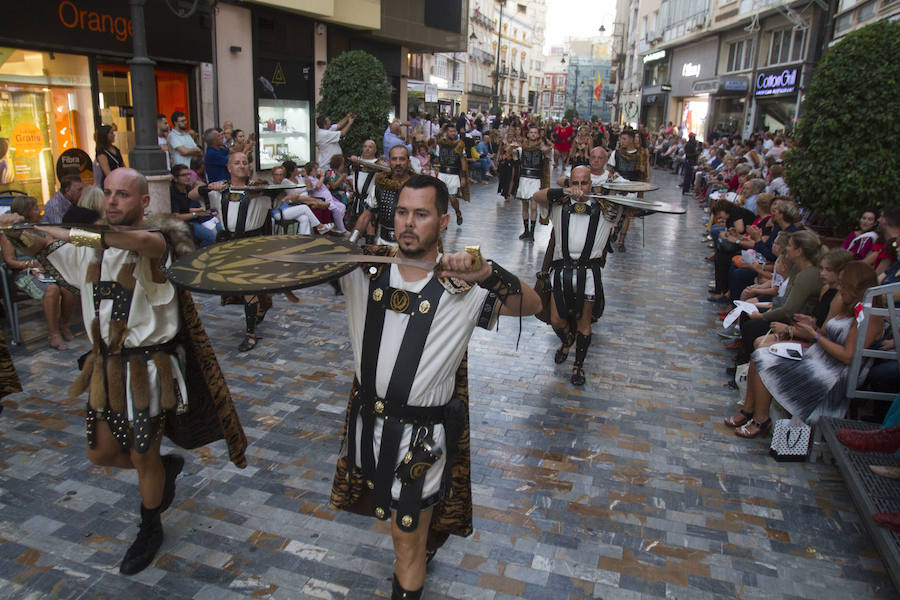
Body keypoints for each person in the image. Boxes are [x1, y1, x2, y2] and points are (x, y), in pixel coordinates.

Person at [0, 167, 247, 575]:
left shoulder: (157, 240)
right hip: (105, 366)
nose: (113, 201)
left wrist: (48, 228)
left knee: (141, 452)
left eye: (124, 195)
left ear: (144, 202)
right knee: (101, 453)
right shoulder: (90, 246)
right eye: (109, 193)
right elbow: (47, 247)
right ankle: (163, 470)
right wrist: (18, 230)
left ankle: (150, 527)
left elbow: (118, 239)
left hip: (147, 369)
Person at [328, 174, 540, 600]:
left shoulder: (463, 286)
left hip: (420, 439)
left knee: (406, 540)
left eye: (421, 214)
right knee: (394, 526)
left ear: (442, 221)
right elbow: (281, 270)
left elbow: (532, 305)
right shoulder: (364, 269)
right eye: (403, 212)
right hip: (367, 426)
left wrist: (487, 273)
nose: (408, 222)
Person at [727, 261, 881, 437]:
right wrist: (811, 326)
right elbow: (825, 333)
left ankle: (760, 419)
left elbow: (847, 356)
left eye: (843, 284)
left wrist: (814, 335)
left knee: (764, 359)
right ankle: (750, 410)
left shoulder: (868, 317)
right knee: (760, 354)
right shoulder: (849, 307)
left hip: (833, 373)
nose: (839, 288)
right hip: (820, 358)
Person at [534, 166, 622, 386]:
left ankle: (578, 365)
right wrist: (564, 192)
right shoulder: (559, 206)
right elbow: (536, 195)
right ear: (569, 184)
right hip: (562, 271)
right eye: (575, 183)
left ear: (591, 184)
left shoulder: (606, 209)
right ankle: (567, 341)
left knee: (584, 324)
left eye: (584, 183)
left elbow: (632, 207)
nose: (580, 188)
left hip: (589, 273)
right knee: (556, 320)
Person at [191, 152, 274, 351]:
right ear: (229, 167)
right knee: (240, 286)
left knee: (247, 287)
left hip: (252, 243)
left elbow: (288, 194)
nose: (241, 165)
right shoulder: (221, 190)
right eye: (237, 163)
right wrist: (210, 186)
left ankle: (250, 334)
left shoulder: (260, 190)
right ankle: (260, 309)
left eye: (245, 162)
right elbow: (192, 194)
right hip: (229, 243)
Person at [0, 195, 76, 349]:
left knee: (69, 286)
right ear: (25, 211)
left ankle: (64, 324)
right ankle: (53, 334)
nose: (40, 211)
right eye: (35, 208)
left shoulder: (40, 228)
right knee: (52, 289)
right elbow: (9, 261)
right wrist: (31, 264)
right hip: (24, 273)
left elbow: (50, 248)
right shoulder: (9, 233)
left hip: (46, 270)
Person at [349, 145, 415, 246]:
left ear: (408, 162)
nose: (398, 163)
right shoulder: (380, 186)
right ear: (389, 162)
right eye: (394, 159)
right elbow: (366, 216)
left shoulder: (418, 187)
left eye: (402, 159)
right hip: (384, 244)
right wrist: (351, 242)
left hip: (411, 246)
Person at [169, 164, 221, 248]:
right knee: (212, 237)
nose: (188, 177)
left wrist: (202, 211)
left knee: (222, 230)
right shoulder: (172, 193)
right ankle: (196, 255)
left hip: (197, 219)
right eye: (183, 175)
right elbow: (176, 216)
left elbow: (191, 208)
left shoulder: (189, 188)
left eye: (188, 174)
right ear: (175, 178)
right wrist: (196, 214)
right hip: (185, 223)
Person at [515, 125, 551, 241]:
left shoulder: (541, 149)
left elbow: (548, 155)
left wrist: (547, 150)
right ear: (528, 134)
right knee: (525, 206)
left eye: (535, 132)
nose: (533, 134)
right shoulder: (523, 148)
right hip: (524, 178)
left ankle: (532, 233)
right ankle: (526, 230)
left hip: (536, 179)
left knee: (534, 206)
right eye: (531, 132)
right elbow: (515, 157)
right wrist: (512, 148)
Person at [435, 125, 467, 226]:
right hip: (442, 172)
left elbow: (463, 162)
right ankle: (443, 220)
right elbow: (437, 157)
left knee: (452, 199)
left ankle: (458, 212)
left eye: (454, 131)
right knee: (441, 198)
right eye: (451, 131)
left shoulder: (459, 145)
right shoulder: (441, 144)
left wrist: (463, 177)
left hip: (453, 174)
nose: (453, 133)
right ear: (447, 132)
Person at [95, 125, 125, 189]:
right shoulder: (101, 152)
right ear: (105, 135)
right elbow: (107, 172)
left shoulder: (116, 149)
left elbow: (122, 165)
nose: (114, 135)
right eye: (111, 133)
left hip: (120, 180)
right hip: (111, 183)